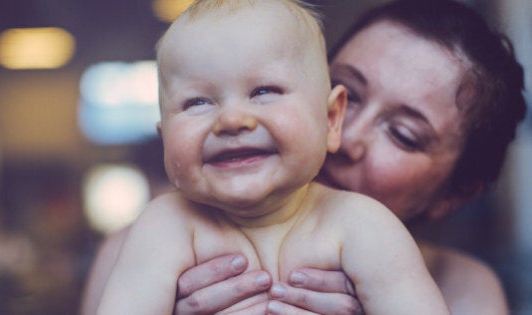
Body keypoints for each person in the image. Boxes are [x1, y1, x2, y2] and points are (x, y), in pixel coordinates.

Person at [139, 0, 524, 314]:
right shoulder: (160, 233)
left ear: (453, 196)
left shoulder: (451, 279)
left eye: (404, 135)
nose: (347, 137)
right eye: (350, 92)